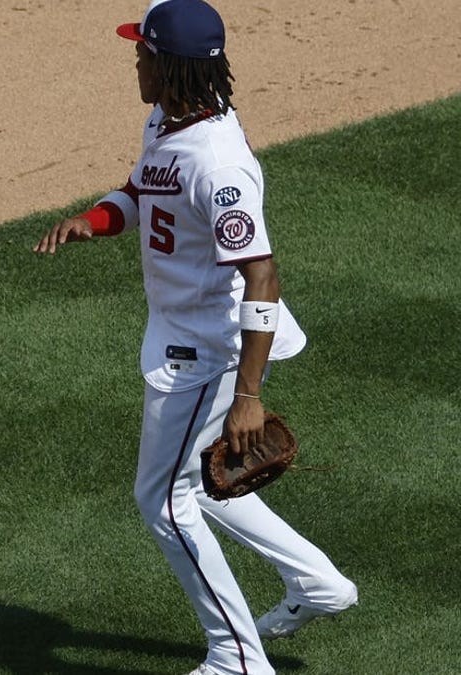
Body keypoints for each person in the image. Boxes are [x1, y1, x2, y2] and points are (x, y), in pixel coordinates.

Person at [34, 1, 355, 672]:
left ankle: (236, 656)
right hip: (183, 331)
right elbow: (142, 187)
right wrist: (96, 219)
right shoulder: (171, 116)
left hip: (208, 350)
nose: (136, 63)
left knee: (163, 498)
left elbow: (261, 275)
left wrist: (247, 395)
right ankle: (318, 582)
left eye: (143, 54)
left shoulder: (219, 163)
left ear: (170, 64)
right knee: (199, 483)